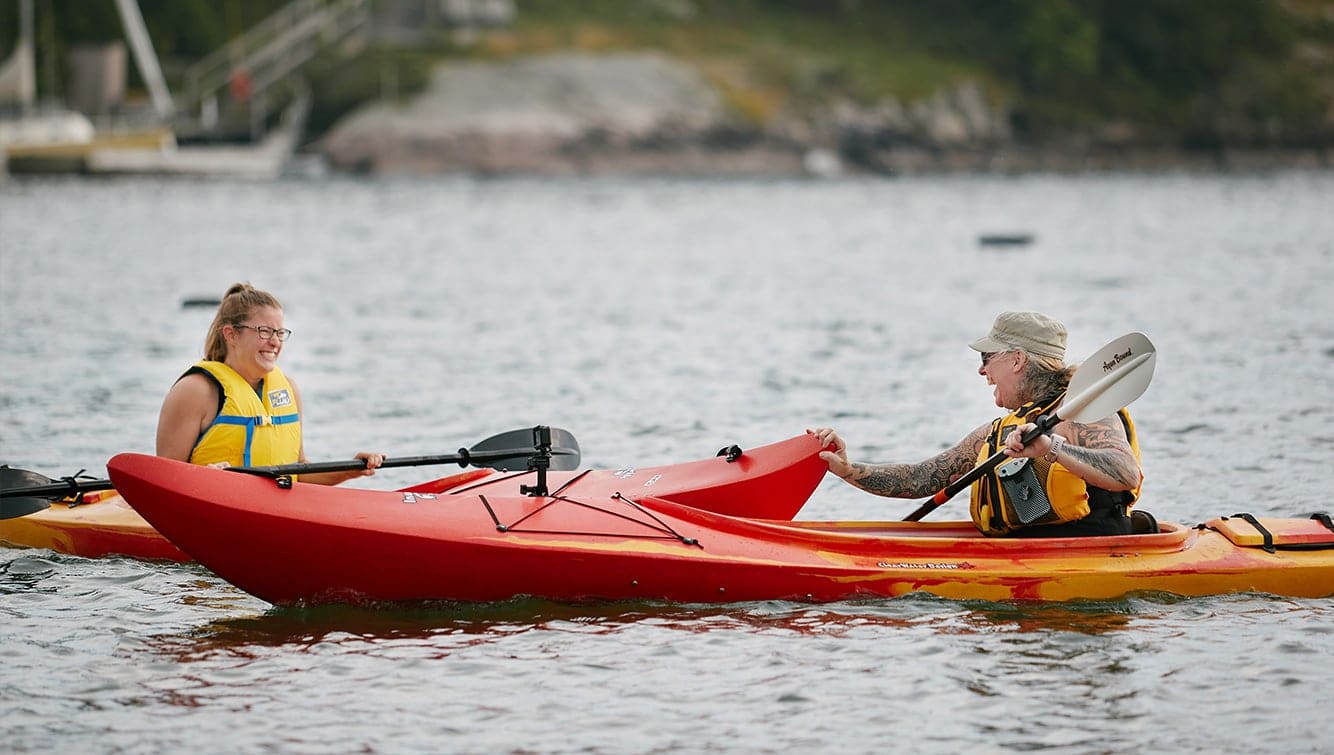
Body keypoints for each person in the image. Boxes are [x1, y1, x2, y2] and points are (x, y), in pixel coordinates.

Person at [813, 311, 1144, 537]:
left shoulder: (1086, 415)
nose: (981, 371)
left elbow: (1125, 472)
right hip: (1027, 555)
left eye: (986, 359)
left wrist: (1050, 448)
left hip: (1092, 555)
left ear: (1017, 359)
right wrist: (847, 469)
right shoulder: (998, 432)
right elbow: (919, 479)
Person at [156, 282, 383, 485]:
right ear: (231, 334)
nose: (274, 342)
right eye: (264, 331)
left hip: (271, 513)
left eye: (280, 332)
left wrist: (351, 469)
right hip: (204, 511)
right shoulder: (195, 391)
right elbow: (162, 481)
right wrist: (205, 477)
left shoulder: (289, 390)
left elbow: (299, 470)